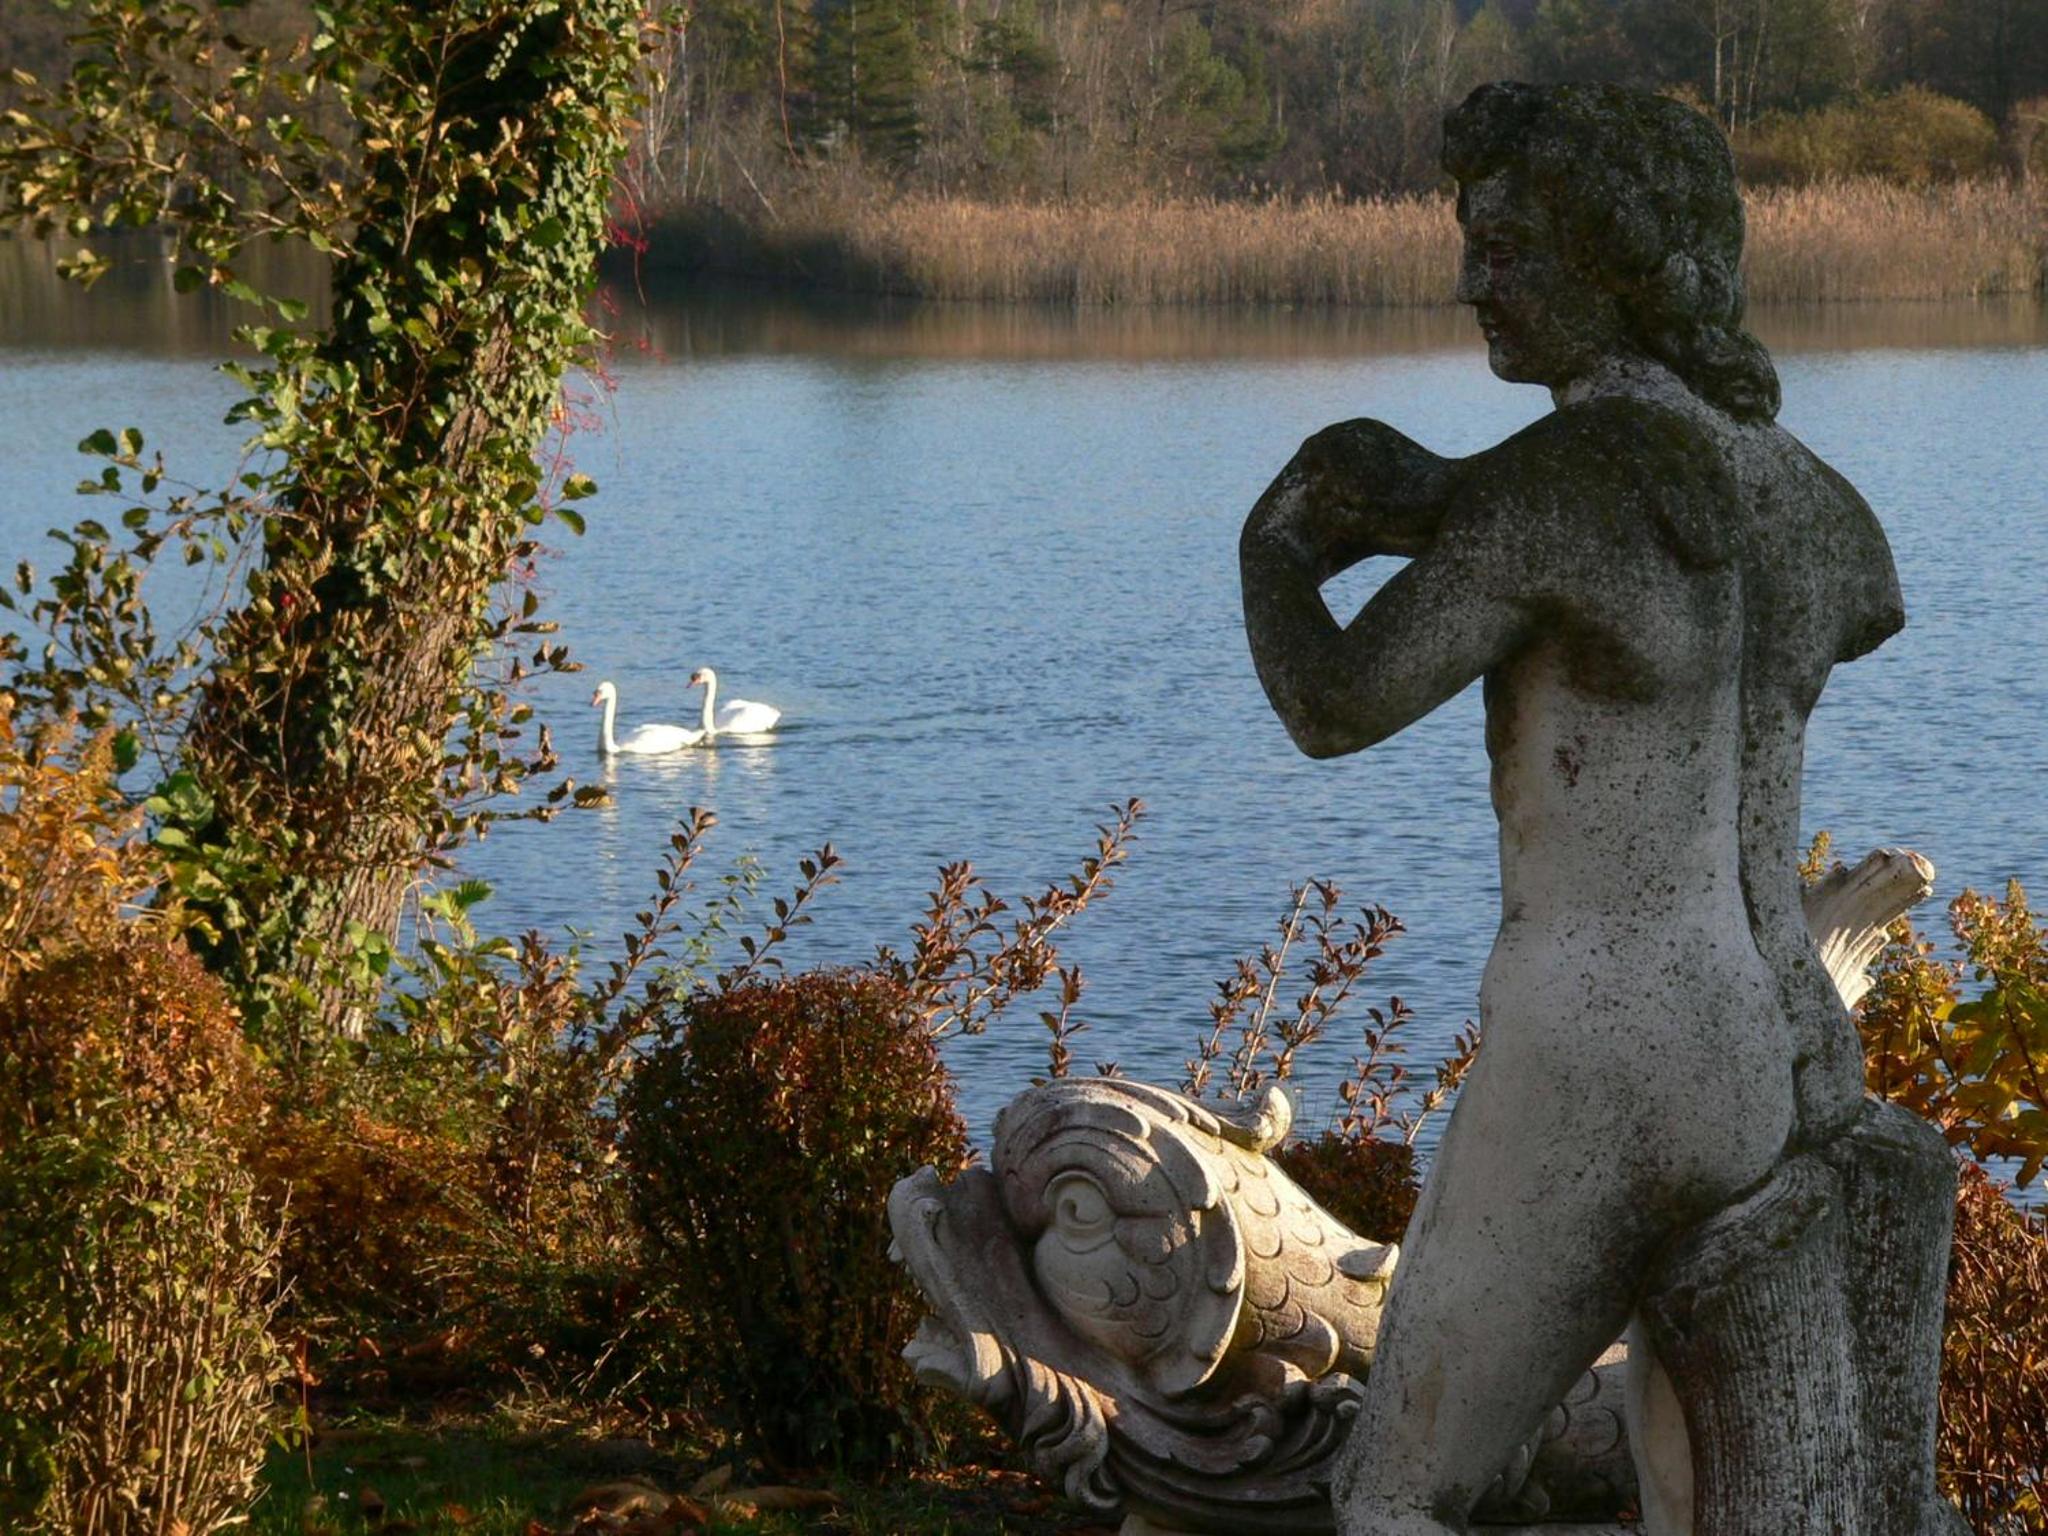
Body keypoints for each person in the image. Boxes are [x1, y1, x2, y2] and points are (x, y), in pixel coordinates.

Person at [1238, 82, 1903, 1533]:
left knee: (1399, 1494)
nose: (1472, 281)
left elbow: (1334, 705)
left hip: (1592, 1056)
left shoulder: (1556, 491)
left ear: (1618, 256)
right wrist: (1440, 496)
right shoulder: (1816, 508)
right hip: (1770, 1043)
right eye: (1471, 242)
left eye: (1508, 246)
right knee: (1694, 1496)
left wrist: (1273, 546)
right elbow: (1637, 535)